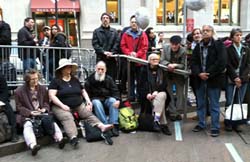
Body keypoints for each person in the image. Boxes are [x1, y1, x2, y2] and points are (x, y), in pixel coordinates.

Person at [48, 58, 114, 146]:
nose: (69, 69)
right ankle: (73, 137)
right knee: (67, 117)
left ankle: (101, 126)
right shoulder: (55, 81)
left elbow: (83, 91)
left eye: (70, 67)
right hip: (60, 106)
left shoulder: (74, 79)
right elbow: (52, 95)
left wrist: (88, 101)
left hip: (78, 104)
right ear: (61, 69)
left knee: (87, 113)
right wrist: (62, 105)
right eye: (67, 67)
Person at [15, 69, 66, 156]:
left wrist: (44, 109)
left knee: (51, 121)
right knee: (27, 125)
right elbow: (19, 107)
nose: (36, 81)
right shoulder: (19, 91)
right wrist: (30, 112)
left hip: (41, 114)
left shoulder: (42, 89)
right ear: (27, 80)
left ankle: (60, 139)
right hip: (29, 115)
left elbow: (46, 103)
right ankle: (33, 145)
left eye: (37, 78)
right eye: (33, 79)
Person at [191, 25, 227, 137]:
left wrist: (208, 73)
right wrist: (199, 73)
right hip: (200, 79)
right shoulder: (198, 46)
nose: (205, 32)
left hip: (214, 79)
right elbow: (194, 62)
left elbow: (221, 62)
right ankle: (201, 123)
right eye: (203, 31)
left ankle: (215, 126)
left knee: (214, 105)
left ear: (212, 32)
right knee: (201, 103)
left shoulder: (218, 45)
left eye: (208, 30)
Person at [85, 61, 120, 136]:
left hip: (106, 99)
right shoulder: (90, 79)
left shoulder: (109, 78)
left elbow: (115, 90)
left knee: (113, 100)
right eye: (98, 69)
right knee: (96, 102)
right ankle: (105, 125)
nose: (100, 71)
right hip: (96, 100)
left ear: (105, 70)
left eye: (102, 69)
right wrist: (88, 103)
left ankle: (114, 125)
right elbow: (86, 93)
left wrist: (118, 100)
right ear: (95, 69)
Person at [224, 28, 250, 132]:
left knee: (239, 100)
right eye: (236, 35)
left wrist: (242, 78)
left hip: (243, 79)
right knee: (229, 100)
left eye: (240, 35)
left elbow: (248, 65)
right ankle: (228, 122)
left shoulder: (246, 49)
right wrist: (235, 78)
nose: (239, 37)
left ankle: (237, 122)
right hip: (231, 78)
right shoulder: (228, 49)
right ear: (232, 37)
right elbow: (228, 65)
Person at [140, 53, 171, 135]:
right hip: (149, 95)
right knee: (160, 103)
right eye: (154, 59)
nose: (156, 61)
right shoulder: (143, 70)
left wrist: (156, 91)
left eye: (157, 59)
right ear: (149, 61)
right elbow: (141, 84)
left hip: (160, 92)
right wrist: (147, 94)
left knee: (161, 96)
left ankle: (156, 120)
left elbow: (164, 85)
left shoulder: (162, 71)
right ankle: (163, 124)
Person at [120, 15, 148, 101]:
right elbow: (123, 45)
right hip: (130, 61)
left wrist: (136, 54)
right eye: (132, 22)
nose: (134, 24)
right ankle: (131, 96)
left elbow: (145, 47)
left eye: (135, 22)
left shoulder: (143, 34)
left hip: (139, 62)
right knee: (130, 80)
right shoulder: (126, 34)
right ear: (130, 23)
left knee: (140, 81)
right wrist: (129, 53)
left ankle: (140, 97)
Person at [160, 35, 186, 121]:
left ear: (179, 44)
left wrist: (175, 65)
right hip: (168, 74)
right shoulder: (165, 48)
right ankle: (172, 112)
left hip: (179, 75)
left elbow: (183, 65)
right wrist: (168, 64)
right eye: (172, 44)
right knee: (169, 93)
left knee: (180, 94)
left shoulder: (183, 51)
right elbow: (162, 60)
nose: (174, 46)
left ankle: (178, 112)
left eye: (176, 44)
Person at [92, 13, 120, 80]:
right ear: (101, 20)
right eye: (103, 18)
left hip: (111, 59)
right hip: (101, 58)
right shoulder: (96, 31)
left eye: (107, 18)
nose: (105, 19)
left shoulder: (114, 32)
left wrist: (112, 52)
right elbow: (95, 44)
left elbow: (117, 43)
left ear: (109, 20)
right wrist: (103, 52)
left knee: (111, 78)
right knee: (100, 78)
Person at [0, 75, 19, 142]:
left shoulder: (1, 77)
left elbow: (4, 92)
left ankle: (14, 133)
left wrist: (1, 102)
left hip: (1, 100)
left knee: (9, 111)